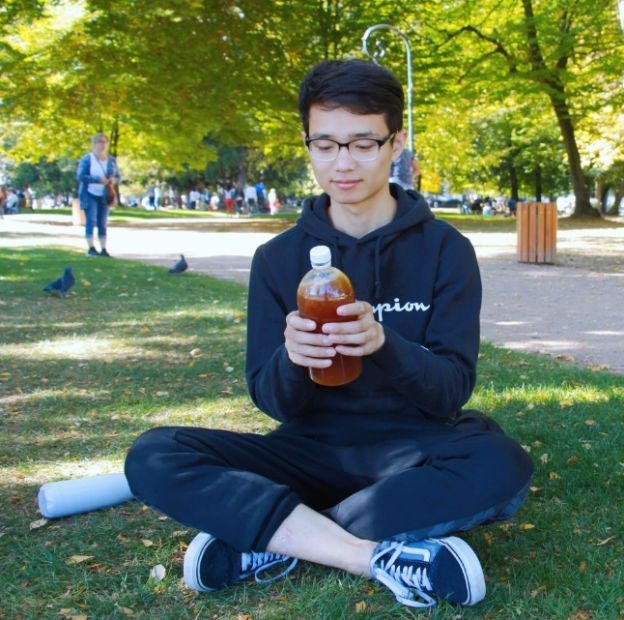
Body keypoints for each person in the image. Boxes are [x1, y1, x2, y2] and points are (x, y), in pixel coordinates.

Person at [125, 59, 532, 610]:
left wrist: (384, 344)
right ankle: (362, 554)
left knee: (501, 462)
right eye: (325, 145)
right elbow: (274, 403)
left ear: (396, 143)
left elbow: (450, 391)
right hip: (308, 452)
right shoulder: (277, 259)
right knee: (154, 454)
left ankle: (277, 536)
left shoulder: (445, 250)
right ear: (308, 144)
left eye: (363, 144)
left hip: (412, 451)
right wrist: (292, 357)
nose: (343, 163)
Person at [76, 132, 120, 257]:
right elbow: (80, 176)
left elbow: (118, 176)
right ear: (94, 144)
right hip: (90, 193)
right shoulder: (87, 159)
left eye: (104, 142)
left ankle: (103, 248)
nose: (102, 145)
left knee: (102, 222)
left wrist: (113, 180)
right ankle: (91, 248)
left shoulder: (111, 160)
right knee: (91, 219)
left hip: (105, 194)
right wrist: (97, 180)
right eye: (99, 142)